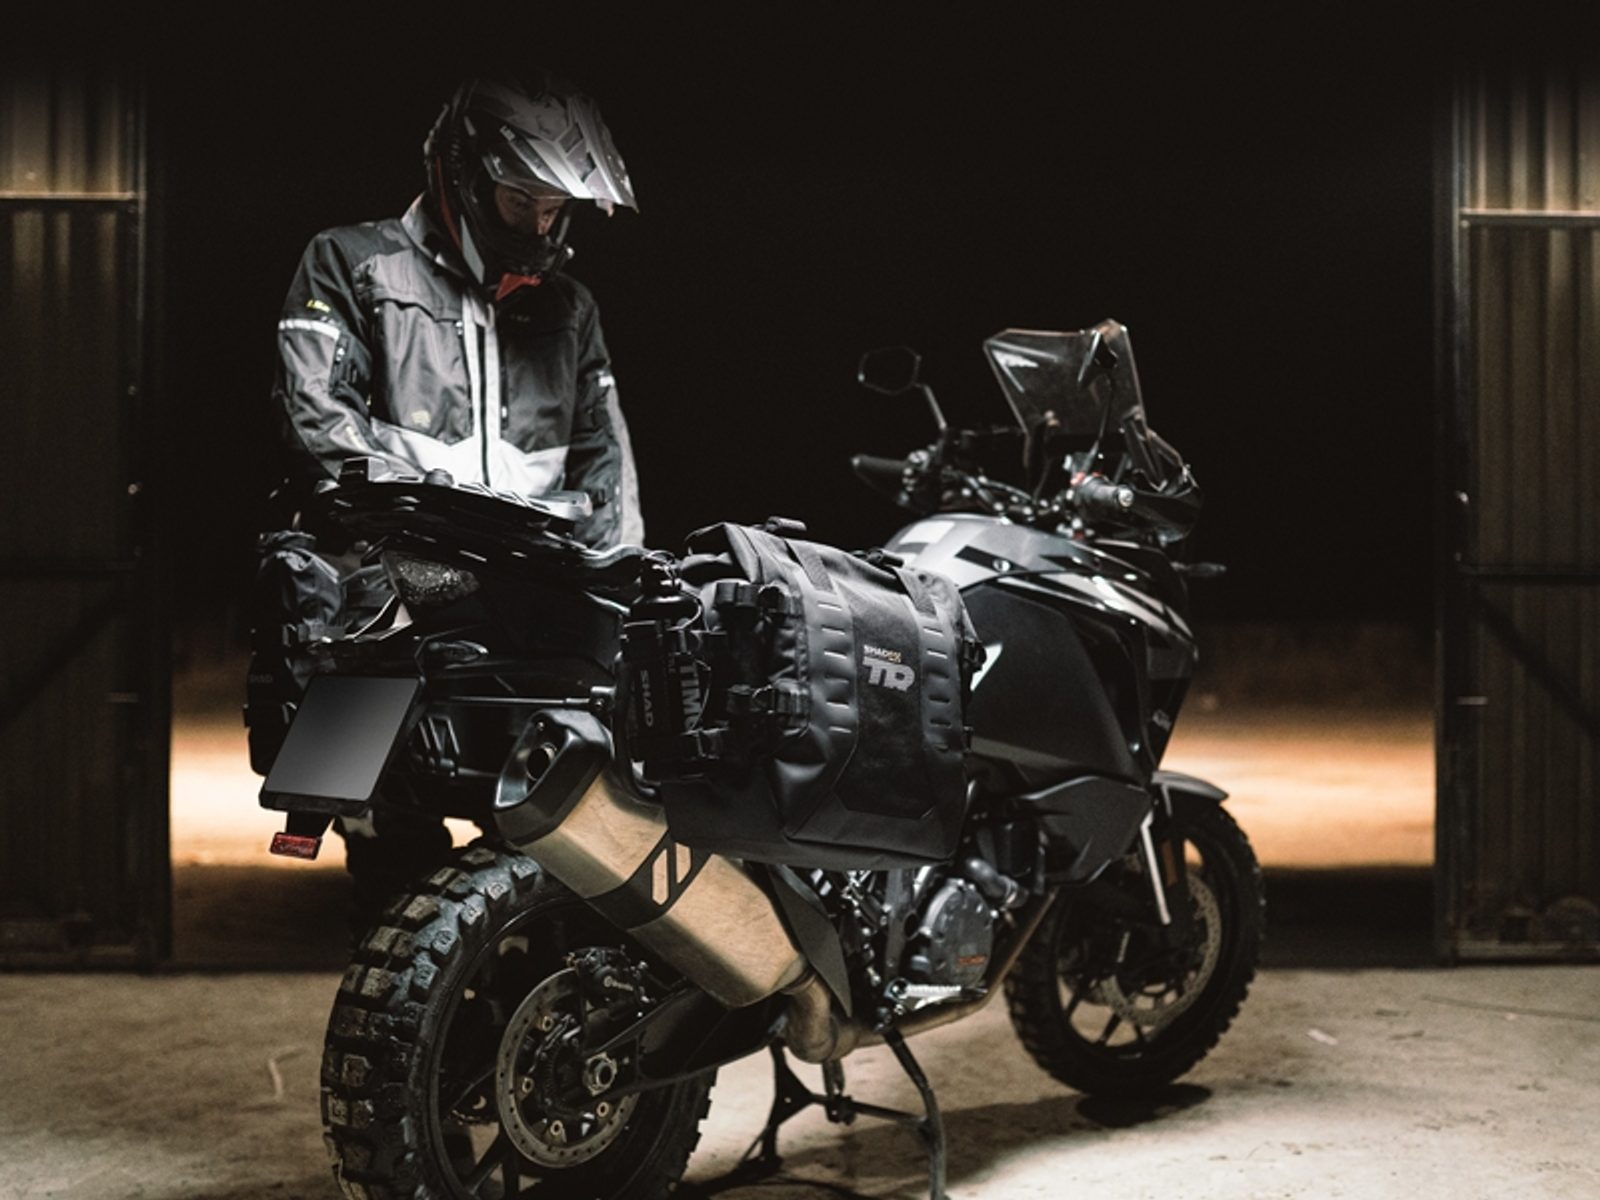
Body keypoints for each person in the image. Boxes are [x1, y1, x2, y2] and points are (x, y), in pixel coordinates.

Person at [264, 71, 643, 928]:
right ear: (464, 178)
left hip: (531, 616)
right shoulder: (351, 263)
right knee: (394, 877)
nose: (540, 225)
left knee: (558, 869)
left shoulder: (569, 308)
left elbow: (606, 469)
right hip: (389, 600)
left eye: (555, 208)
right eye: (521, 202)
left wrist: (613, 599)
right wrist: (429, 526)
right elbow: (315, 420)